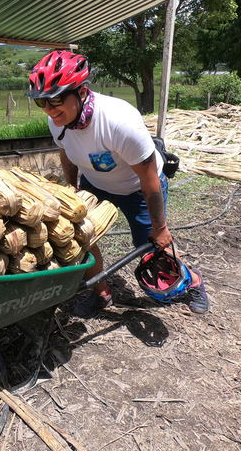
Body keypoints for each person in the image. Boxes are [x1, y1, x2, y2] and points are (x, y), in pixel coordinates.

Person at [27, 50, 209, 318]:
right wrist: (71, 188)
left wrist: (160, 227)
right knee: (81, 238)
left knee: (151, 250)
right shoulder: (58, 122)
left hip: (137, 188)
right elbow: (66, 151)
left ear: (81, 91)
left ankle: (193, 281)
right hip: (97, 182)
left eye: (54, 100)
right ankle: (101, 293)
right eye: (41, 102)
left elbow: (149, 179)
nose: (49, 109)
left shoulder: (118, 122)